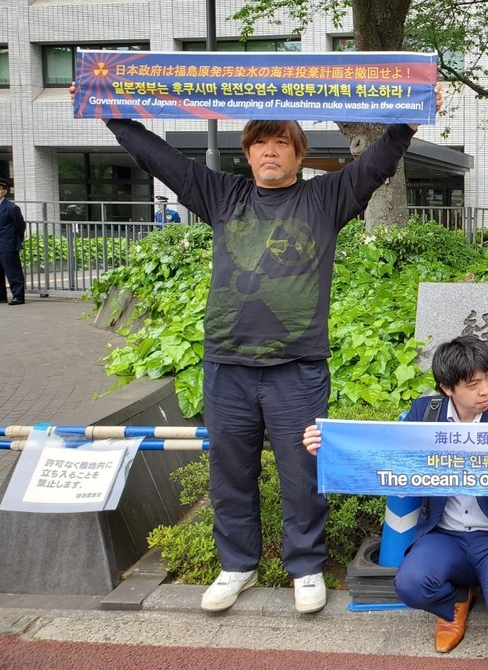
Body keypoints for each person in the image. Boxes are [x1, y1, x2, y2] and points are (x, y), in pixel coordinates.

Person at [70, 81, 442, 615]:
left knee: (301, 473)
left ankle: (306, 568)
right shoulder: (223, 196)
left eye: (282, 143)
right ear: (247, 152)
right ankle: (237, 566)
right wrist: (113, 118)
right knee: (230, 474)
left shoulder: (324, 197)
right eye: (260, 143)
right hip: (229, 365)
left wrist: (406, 122)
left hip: (298, 368)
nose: (271, 151)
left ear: (297, 152)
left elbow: (373, 167)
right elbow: (163, 160)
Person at [302, 335, 488, 653]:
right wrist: (328, 450)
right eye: (473, 384)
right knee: (411, 585)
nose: (485, 390)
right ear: (447, 388)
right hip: (445, 536)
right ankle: (457, 600)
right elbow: (386, 459)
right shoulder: (424, 414)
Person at [0, 178, 27, 306]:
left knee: (12, 271)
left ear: (4, 191)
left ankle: (18, 296)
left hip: (8, 243)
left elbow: (20, 225)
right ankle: (1, 296)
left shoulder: (11, 207)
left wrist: (16, 240)